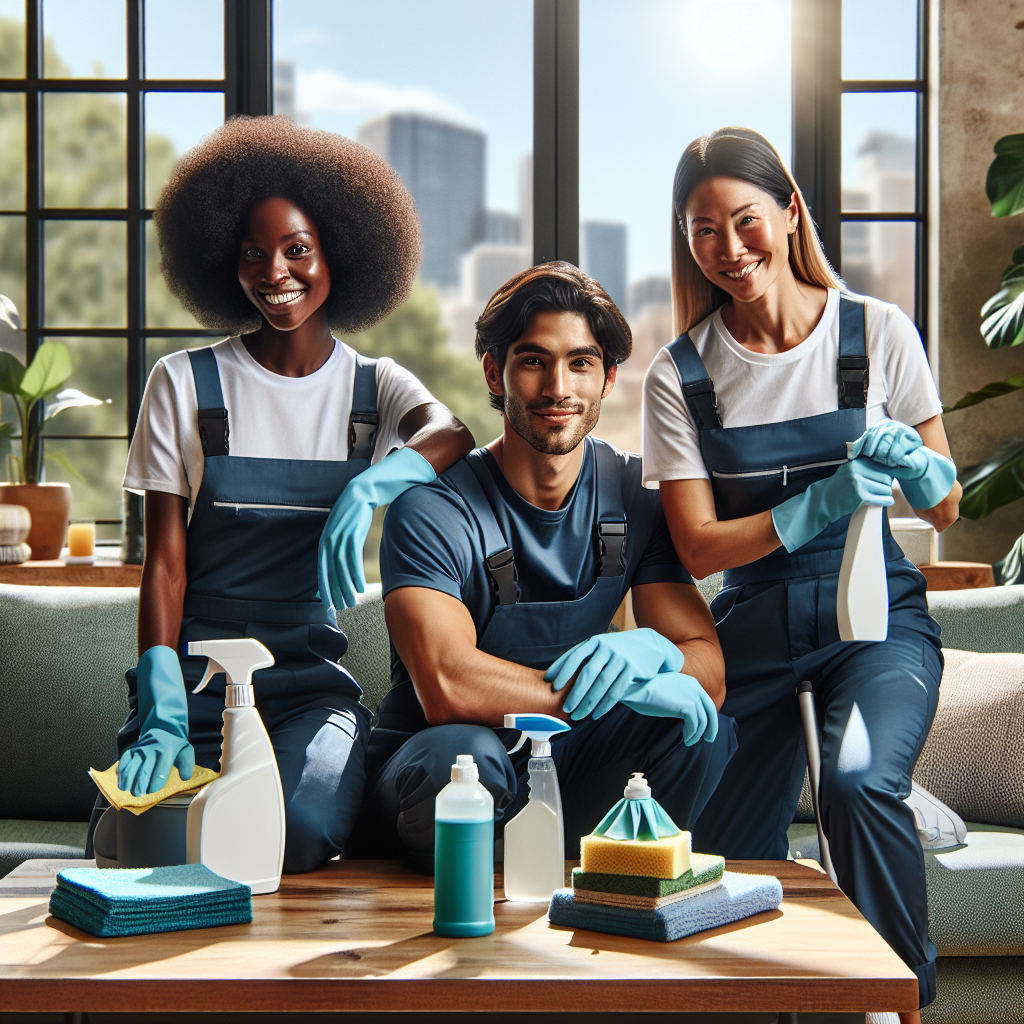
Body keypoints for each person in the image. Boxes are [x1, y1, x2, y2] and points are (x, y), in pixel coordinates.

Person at [87, 116, 474, 873]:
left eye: (298, 250)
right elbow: (163, 565)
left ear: (341, 253)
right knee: (138, 841)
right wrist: (162, 696)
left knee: (293, 833)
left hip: (305, 690)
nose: (276, 273)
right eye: (253, 255)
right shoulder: (184, 383)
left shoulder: (375, 388)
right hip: (192, 683)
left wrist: (375, 481)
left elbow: (451, 432)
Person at [642, 127, 960, 1018]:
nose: (729, 250)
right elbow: (699, 546)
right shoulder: (682, 372)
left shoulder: (875, 330)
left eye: (746, 221)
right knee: (720, 842)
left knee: (858, 783)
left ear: (787, 213)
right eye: (704, 231)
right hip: (752, 630)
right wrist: (810, 507)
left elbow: (945, 507)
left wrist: (921, 468)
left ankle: (902, 1003)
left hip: (876, 623)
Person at [358, 262, 737, 869]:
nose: (558, 387)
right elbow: (448, 685)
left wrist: (657, 652)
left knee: (700, 730)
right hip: (436, 767)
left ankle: (617, 887)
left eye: (580, 363)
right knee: (462, 761)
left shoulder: (637, 497)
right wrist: (629, 692)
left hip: (562, 760)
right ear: (494, 371)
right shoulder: (432, 507)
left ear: (609, 378)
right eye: (533, 361)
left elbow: (706, 670)